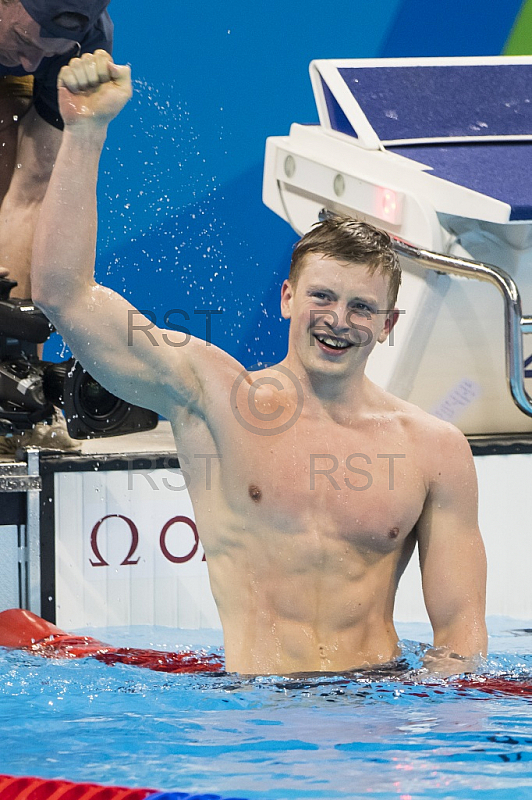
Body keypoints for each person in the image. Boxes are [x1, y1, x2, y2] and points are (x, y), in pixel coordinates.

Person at [30, 51, 487, 677]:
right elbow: (64, 294)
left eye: (361, 307)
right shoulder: (212, 394)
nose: (337, 320)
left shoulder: (436, 449)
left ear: (387, 326)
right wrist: (85, 132)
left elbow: (461, 636)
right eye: (321, 297)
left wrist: (428, 738)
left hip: (382, 706)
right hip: (257, 712)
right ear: (287, 298)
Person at [0, 1, 113, 455]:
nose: (30, 61)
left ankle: (14, 387)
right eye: (27, 42)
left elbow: (34, 185)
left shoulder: (85, 45)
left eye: (46, 52)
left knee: (28, 162)